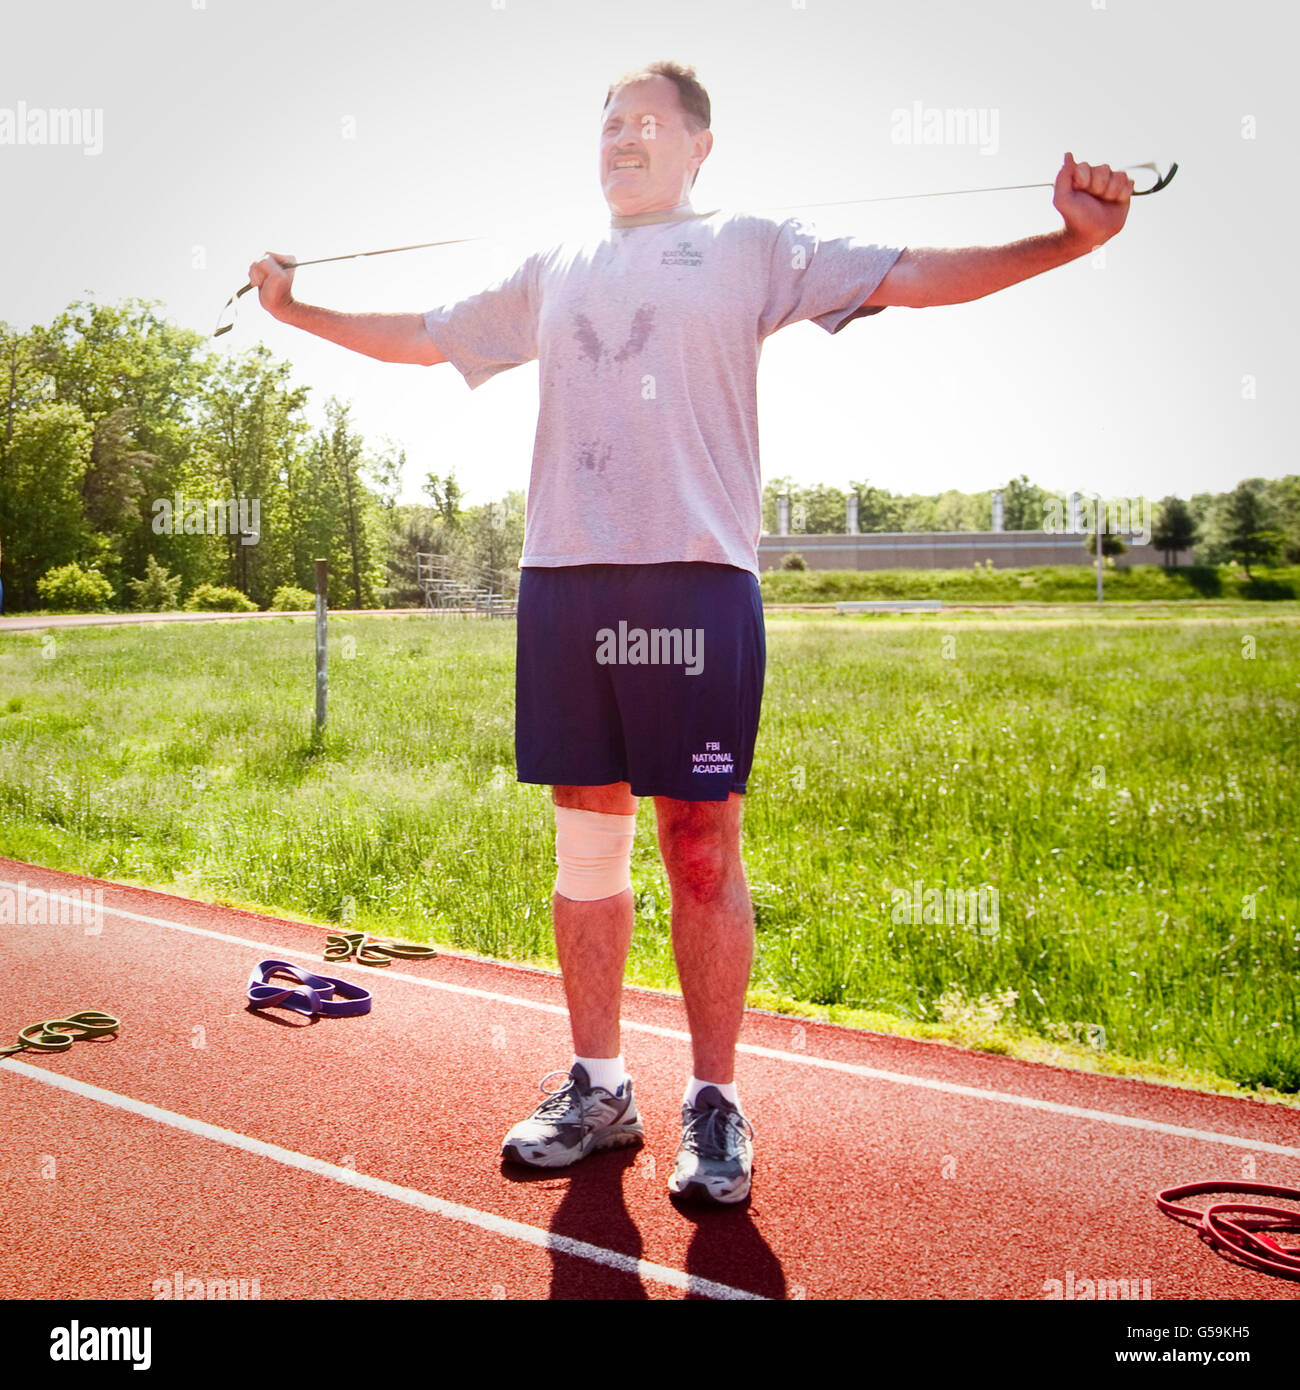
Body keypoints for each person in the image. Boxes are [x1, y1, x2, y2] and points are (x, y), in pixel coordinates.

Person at [247, 60, 1134, 1206]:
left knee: (700, 846)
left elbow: (913, 276)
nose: (621, 138)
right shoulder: (553, 267)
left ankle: (713, 1102)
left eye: (647, 123)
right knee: (586, 851)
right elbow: (422, 335)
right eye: (608, 123)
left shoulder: (755, 245)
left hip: (698, 585)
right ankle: (597, 1087)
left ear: (700, 145)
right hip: (566, 582)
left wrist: (1065, 241)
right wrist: (293, 308)